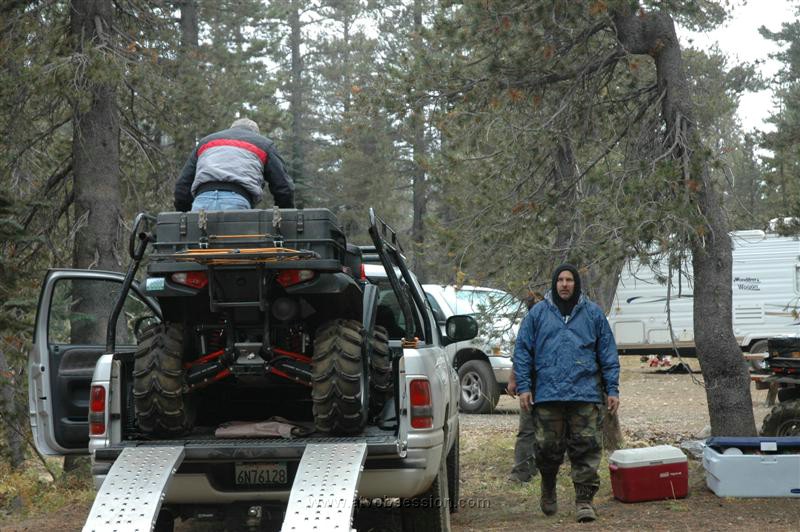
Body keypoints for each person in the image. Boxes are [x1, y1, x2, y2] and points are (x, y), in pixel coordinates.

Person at [513, 264, 620, 523]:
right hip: (548, 394)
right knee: (547, 448)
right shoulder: (538, 314)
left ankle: (584, 501)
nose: (564, 284)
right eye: (560, 280)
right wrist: (525, 386)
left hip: (585, 394)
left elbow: (607, 353)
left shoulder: (593, 314)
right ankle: (548, 487)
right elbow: (523, 351)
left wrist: (612, 388)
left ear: (576, 284)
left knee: (586, 448)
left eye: (569, 280)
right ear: (554, 283)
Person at [173, 118, 295, 212]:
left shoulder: (205, 142)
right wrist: (285, 216)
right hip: (237, 200)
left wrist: (184, 214)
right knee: (234, 244)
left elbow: (182, 185)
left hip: (202, 202)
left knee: (200, 244)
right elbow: (283, 188)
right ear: (255, 133)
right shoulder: (264, 144)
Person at [507, 291, 543, 483]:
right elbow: (520, 354)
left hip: (550, 383)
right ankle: (522, 472)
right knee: (527, 429)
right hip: (529, 383)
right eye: (533, 306)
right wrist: (514, 380)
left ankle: (543, 468)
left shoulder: (553, 322)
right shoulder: (528, 323)